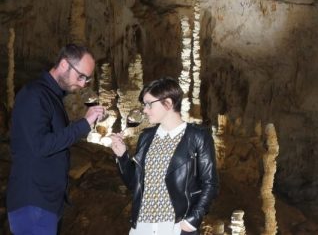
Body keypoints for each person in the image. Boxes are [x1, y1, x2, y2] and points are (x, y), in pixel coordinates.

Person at [6, 43, 106, 235]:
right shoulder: (34, 94)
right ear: (63, 65)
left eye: (87, 78)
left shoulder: (51, 97)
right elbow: (40, 145)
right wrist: (84, 124)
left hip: (47, 203)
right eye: (81, 76)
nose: (84, 83)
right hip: (33, 203)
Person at [110, 77, 218, 234]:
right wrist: (122, 156)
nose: (145, 110)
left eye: (149, 104)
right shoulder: (146, 137)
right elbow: (135, 185)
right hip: (142, 226)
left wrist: (193, 220)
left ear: (168, 103)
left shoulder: (197, 137)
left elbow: (210, 184)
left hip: (174, 226)